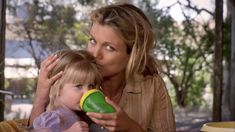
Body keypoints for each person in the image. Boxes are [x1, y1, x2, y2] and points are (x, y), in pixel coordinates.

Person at [0, 3, 175, 132]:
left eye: (109, 47)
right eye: (92, 41)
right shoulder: (71, 74)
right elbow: (37, 127)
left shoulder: (152, 85)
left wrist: (130, 127)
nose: (94, 54)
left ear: (133, 54)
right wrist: (41, 96)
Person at [32, 50, 103, 132]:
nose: (87, 92)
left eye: (91, 86)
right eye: (79, 86)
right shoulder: (54, 117)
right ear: (57, 88)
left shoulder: (80, 115)